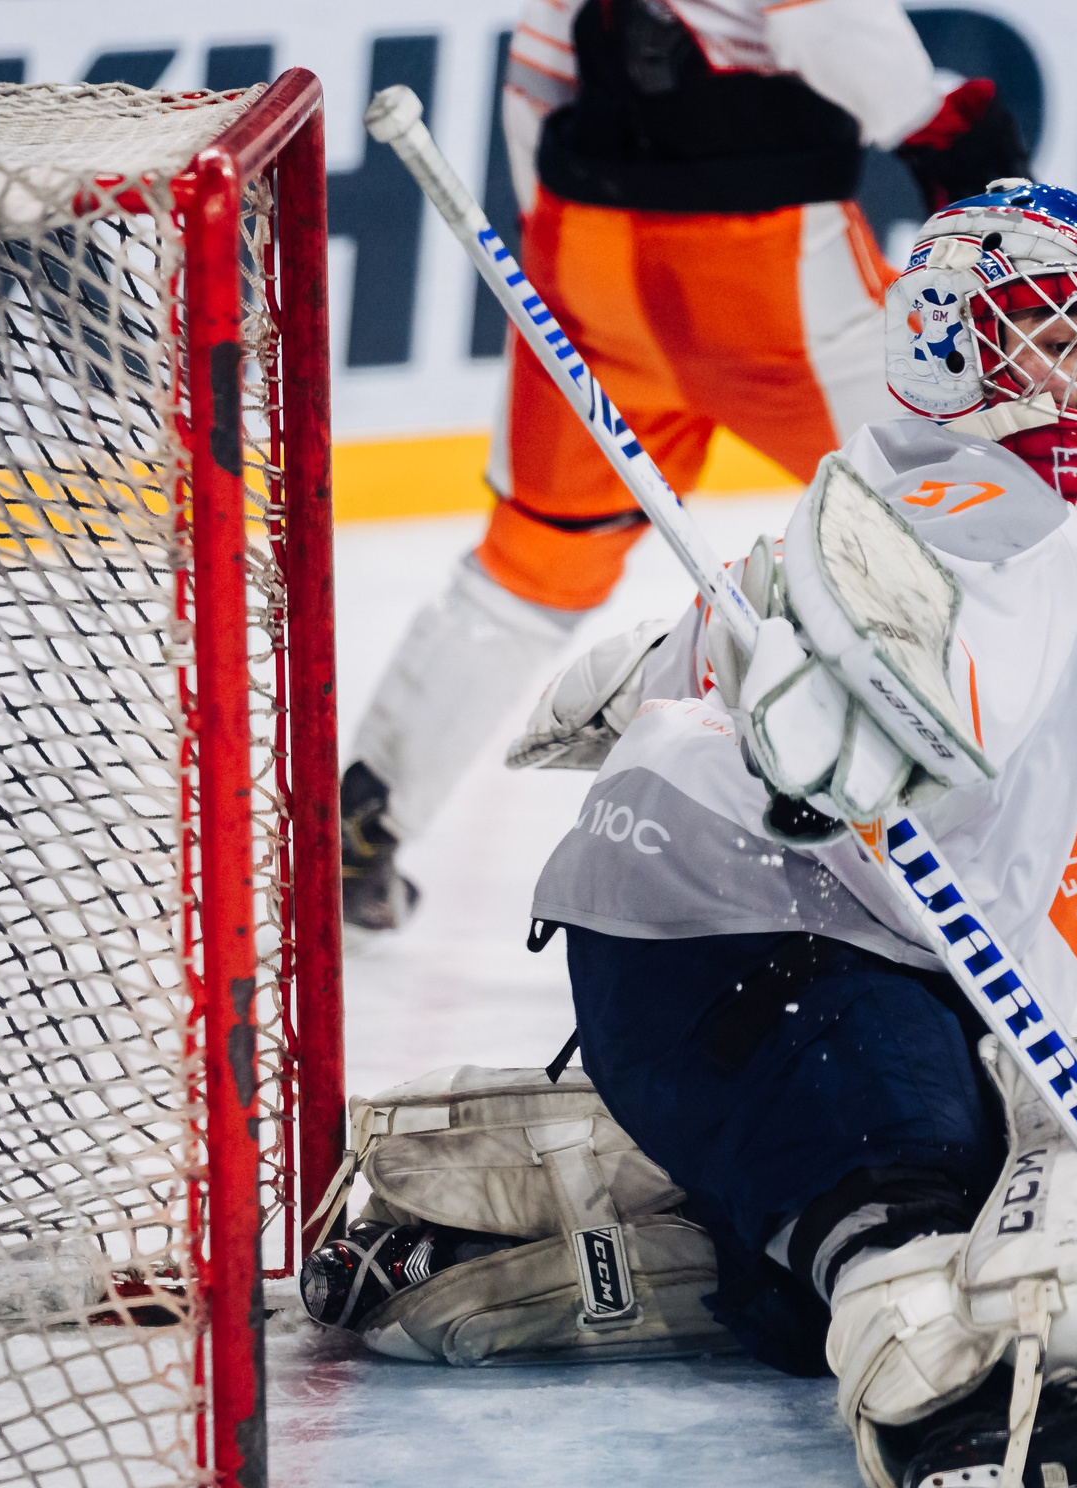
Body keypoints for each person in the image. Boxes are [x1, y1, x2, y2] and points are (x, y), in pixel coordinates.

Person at [312, 183, 1077, 1488]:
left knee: (846, 1229)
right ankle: (958, 1396)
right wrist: (858, 717)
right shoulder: (1016, 525)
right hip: (770, 954)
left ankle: (558, 1227)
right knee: (908, 1187)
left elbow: (764, 629)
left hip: (708, 951)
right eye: (1070, 339)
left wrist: (663, 674)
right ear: (958, 345)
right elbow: (929, 705)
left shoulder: (902, 479)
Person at [337, 0, 1030, 931]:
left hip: (590, 264)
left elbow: (539, 84)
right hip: (765, 272)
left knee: (530, 567)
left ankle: (363, 824)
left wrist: (558, 254)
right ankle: (1008, 831)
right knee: (956, 515)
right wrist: (944, 125)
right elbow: (840, 37)